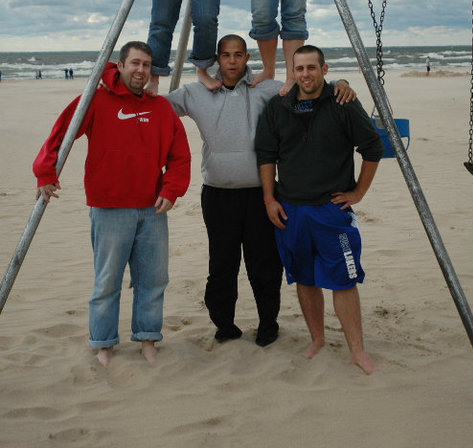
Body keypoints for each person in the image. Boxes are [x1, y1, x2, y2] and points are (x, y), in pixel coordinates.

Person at [165, 34, 356, 347]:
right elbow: (154, 107)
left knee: (264, 265)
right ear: (217, 59)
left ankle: (268, 324)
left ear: (247, 58)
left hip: (261, 196)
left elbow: (309, 86)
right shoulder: (195, 92)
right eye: (226, 55)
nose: (232, 61)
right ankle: (224, 326)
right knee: (221, 265)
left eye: (238, 54)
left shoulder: (266, 89)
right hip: (218, 195)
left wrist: (341, 82)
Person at [33, 41, 191, 366]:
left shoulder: (161, 108)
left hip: (152, 209)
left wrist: (172, 189)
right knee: (107, 281)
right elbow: (62, 131)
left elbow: (180, 156)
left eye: (146, 65)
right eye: (134, 63)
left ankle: (147, 338)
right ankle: (103, 343)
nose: (140, 70)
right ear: (119, 65)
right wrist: (45, 171)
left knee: (153, 280)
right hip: (109, 208)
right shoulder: (97, 99)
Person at [255, 45, 383, 374]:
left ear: (324, 70)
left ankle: (357, 351)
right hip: (291, 210)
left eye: (311, 67)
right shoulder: (278, 106)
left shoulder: (343, 101)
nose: (305, 74)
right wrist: (269, 199)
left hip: (331, 211)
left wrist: (359, 192)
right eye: (299, 69)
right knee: (305, 278)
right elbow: (266, 155)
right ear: (292, 72)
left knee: (343, 280)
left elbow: (372, 147)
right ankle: (317, 339)